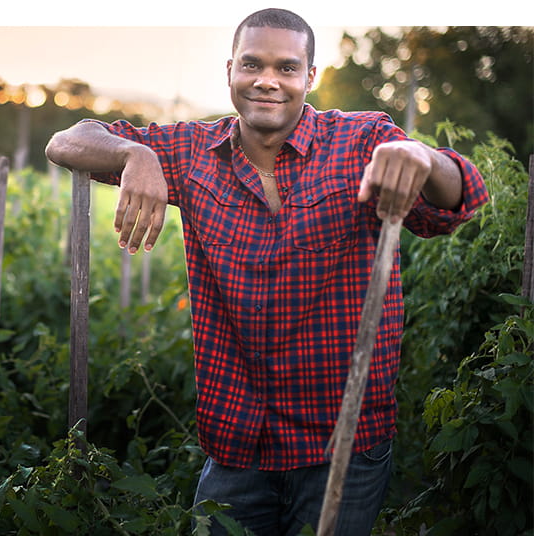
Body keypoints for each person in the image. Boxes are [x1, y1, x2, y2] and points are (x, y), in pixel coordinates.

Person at [45, 8, 488, 535]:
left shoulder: (362, 142)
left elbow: (460, 196)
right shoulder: (191, 154)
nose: (267, 81)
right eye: (252, 65)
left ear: (310, 76)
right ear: (230, 69)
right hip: (236, 446)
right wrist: (134, 152)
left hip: (341, 443)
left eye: (286, 67)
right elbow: (66, 140)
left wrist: (419, 156)